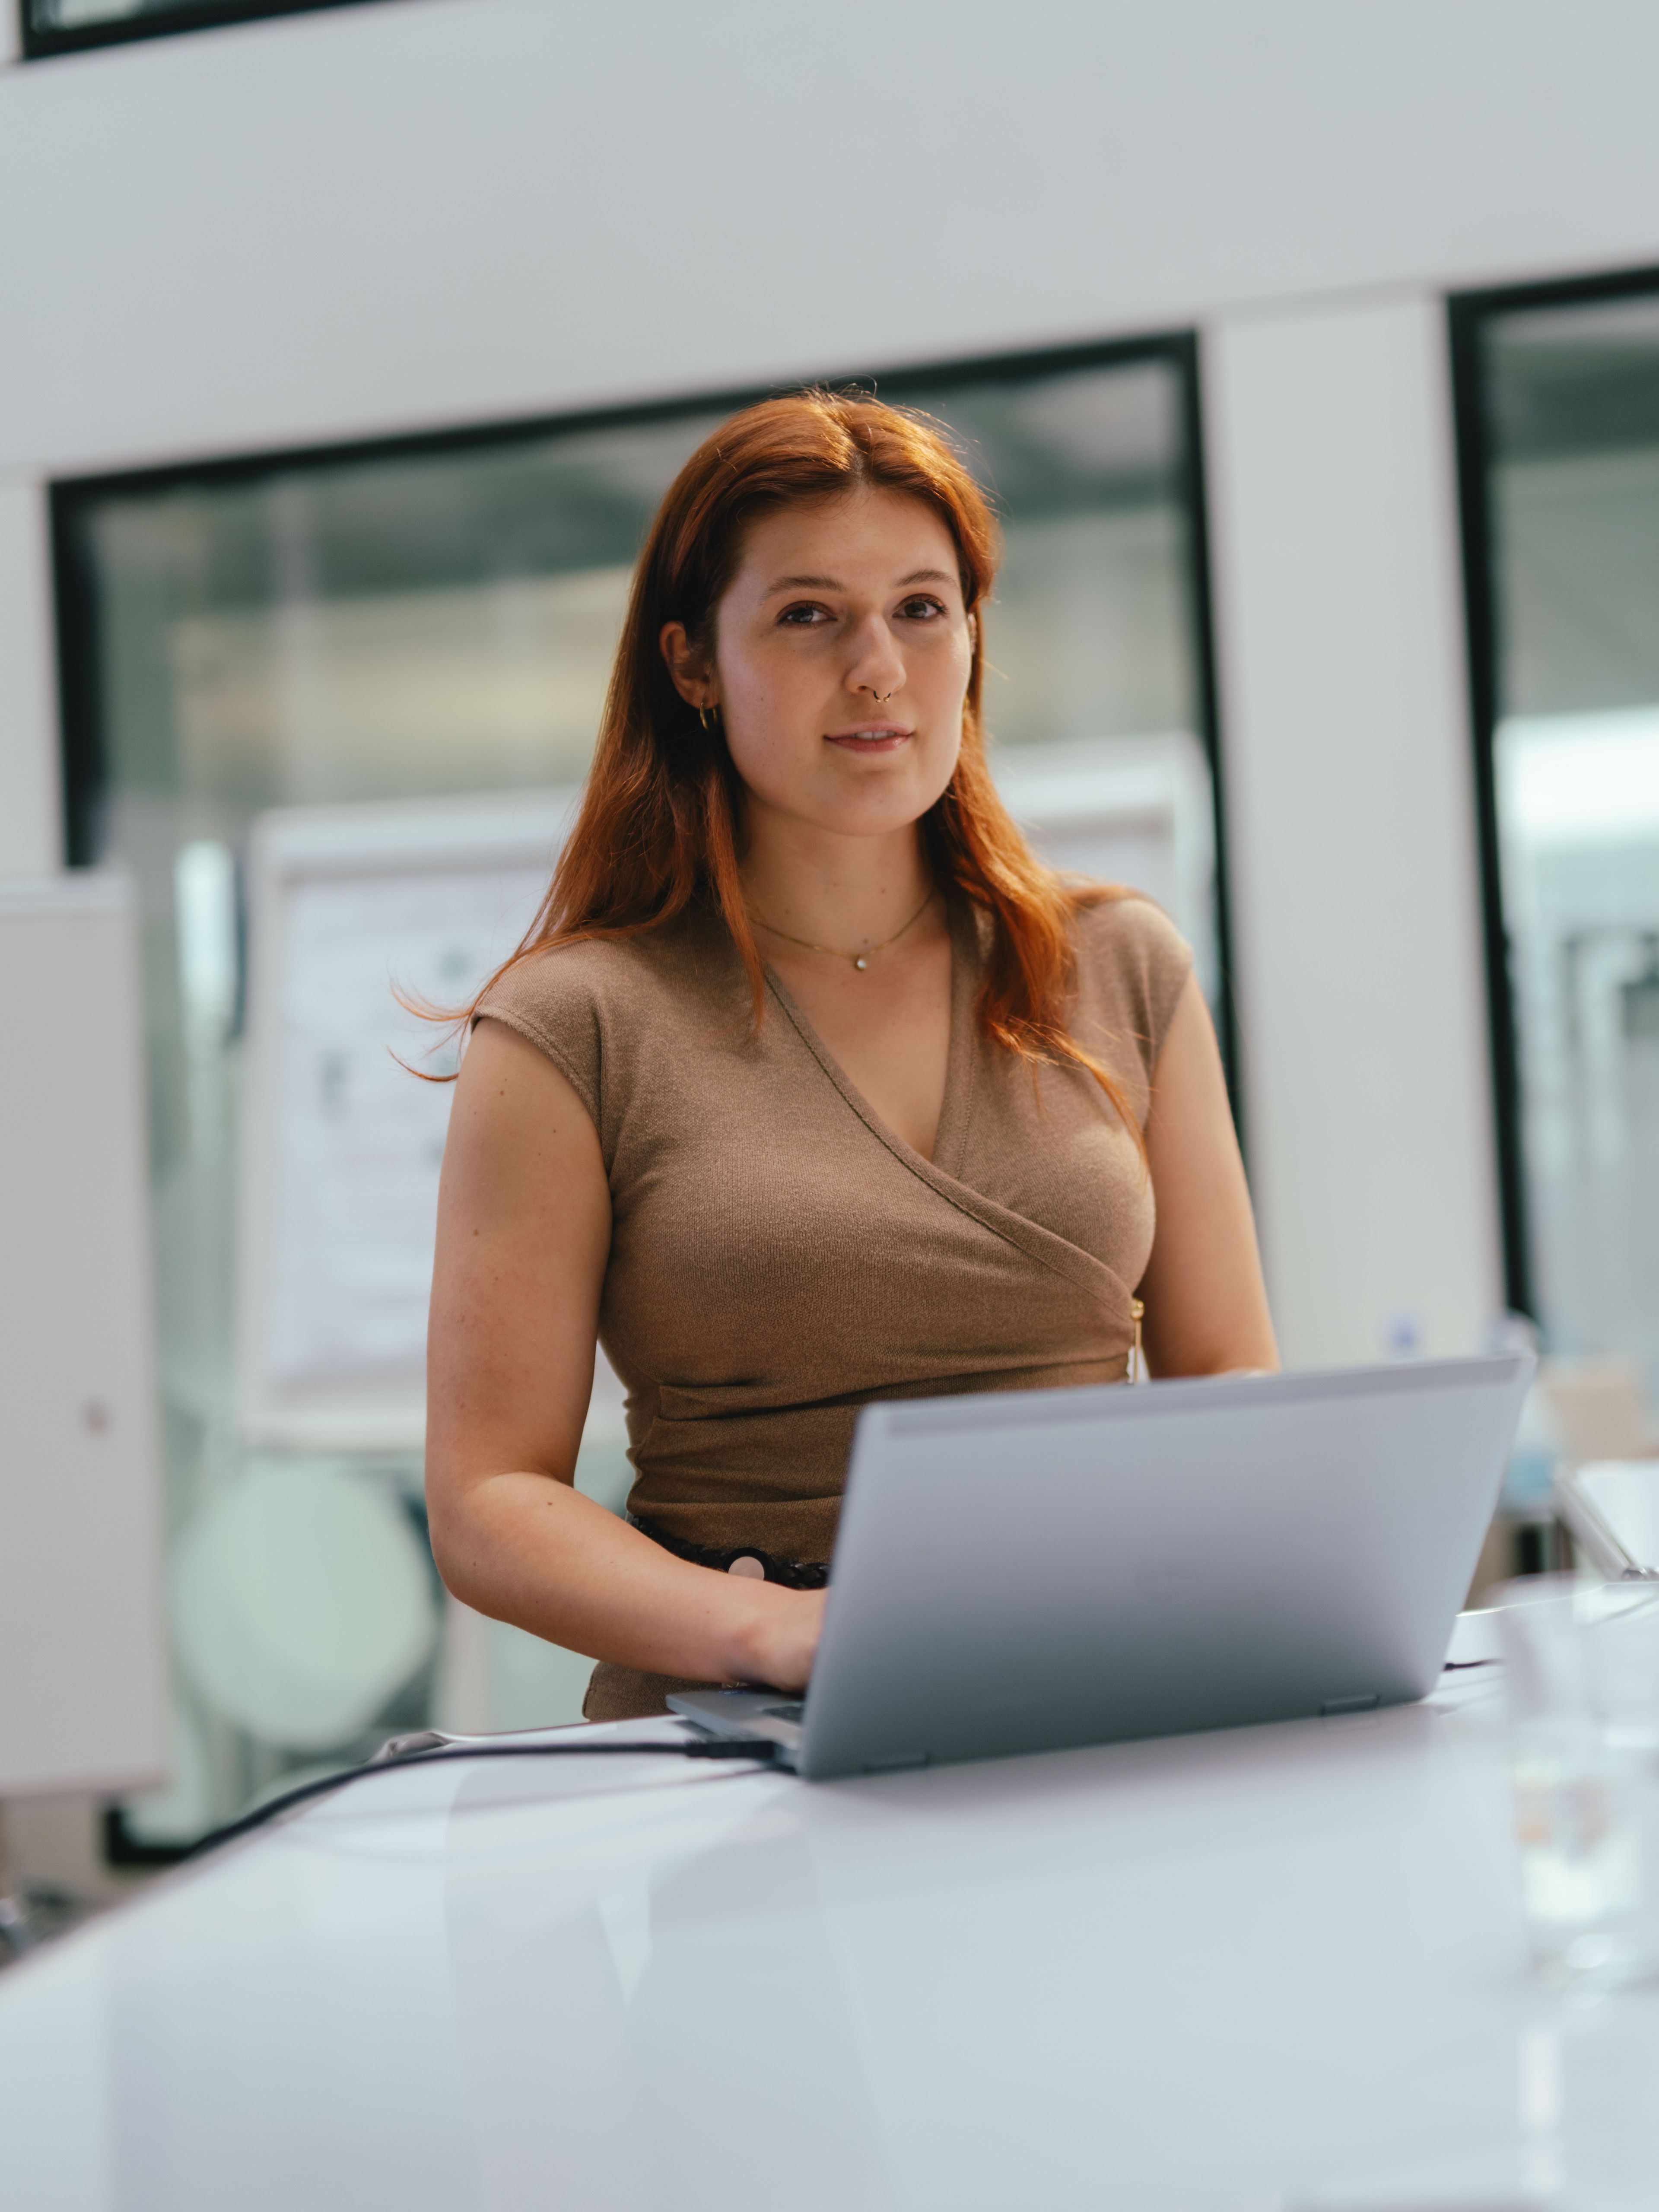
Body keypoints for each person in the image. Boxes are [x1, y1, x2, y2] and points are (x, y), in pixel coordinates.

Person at [424, 390, 1277, 1721]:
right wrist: (776, 1633)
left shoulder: (1119, 963)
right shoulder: (573, 1023)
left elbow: (1228, 1378)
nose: (878, 669)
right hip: (746, 1726)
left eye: (921, 609)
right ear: (694, 662)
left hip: (1100, 1688)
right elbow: (490, 1501)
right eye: (810, 616)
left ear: (973, 638)